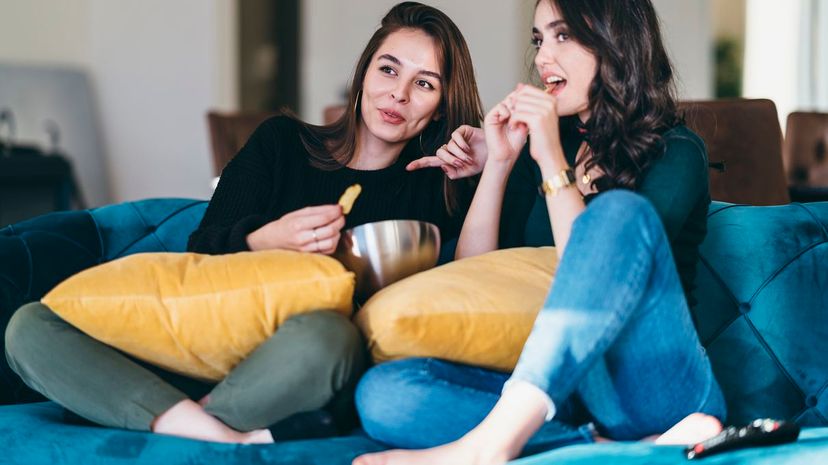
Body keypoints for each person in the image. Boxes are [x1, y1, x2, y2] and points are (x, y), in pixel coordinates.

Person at [4, 1, 483, 445]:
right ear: (364, 73)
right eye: (388, 69)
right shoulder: (281, 142)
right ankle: (222, 437)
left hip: (287, 367)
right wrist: (267, 239)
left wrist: (497, 164)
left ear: (439, 105)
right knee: (30, 327)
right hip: (193, 343)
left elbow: (475, 283)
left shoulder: (436, 184)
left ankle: (163, 418)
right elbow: (199, 253)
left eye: (424, 83)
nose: (397, 93)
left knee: (332, 339)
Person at [353, 0, 726, 463]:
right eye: (538, 39)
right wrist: (502, 163)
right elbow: (477, 278)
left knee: (617, 214)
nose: (543, 57)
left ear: (616, 41)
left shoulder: (677, 152)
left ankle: (493, 444)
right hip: (562, 398)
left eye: (562, 35)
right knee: (384, 394)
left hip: (651, 387)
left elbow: (590, 283)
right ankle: (604, 449)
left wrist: (550, 157)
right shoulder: (544, 144)